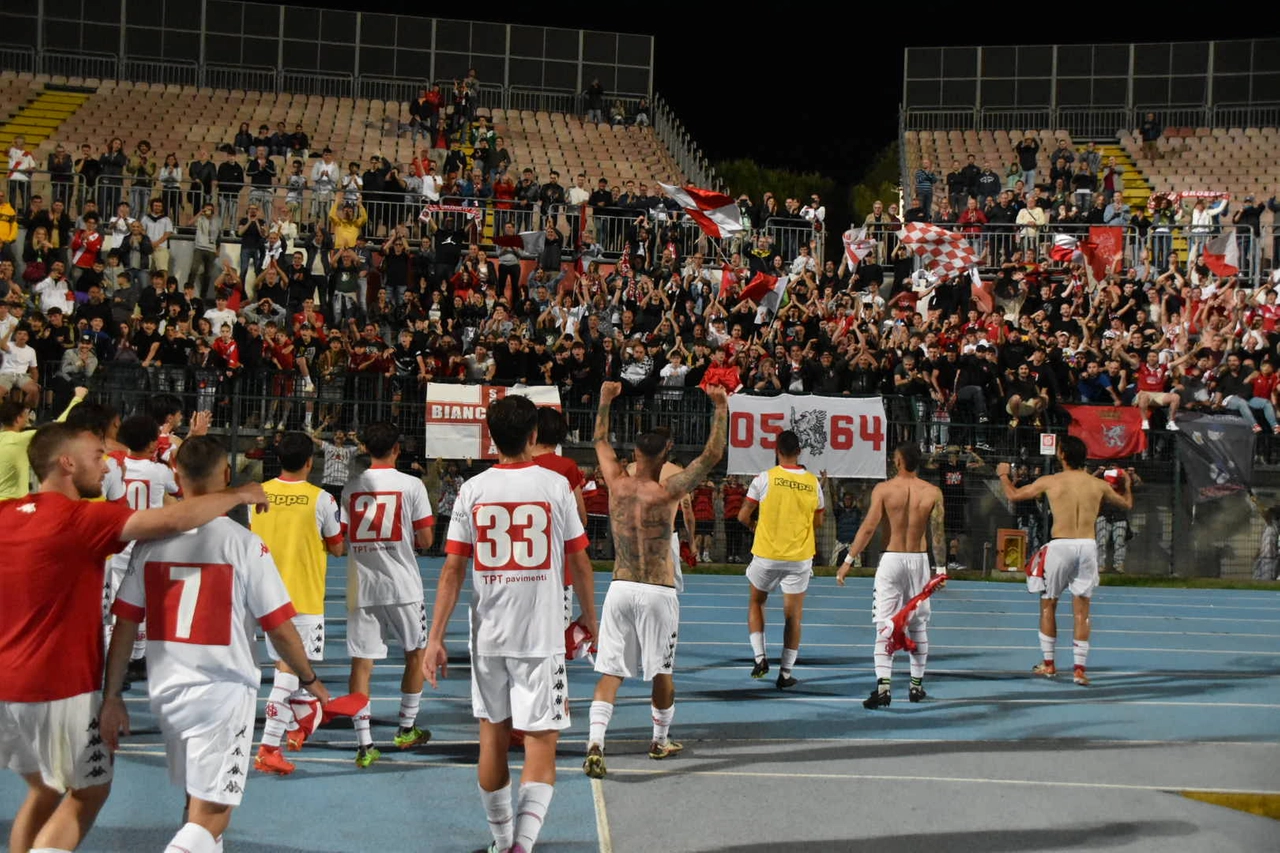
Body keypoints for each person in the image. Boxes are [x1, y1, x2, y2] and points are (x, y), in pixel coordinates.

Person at [0, 422, 268, 853]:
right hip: (60, 688)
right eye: (96, 457)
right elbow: (173, 518)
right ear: (65, 463)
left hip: (6, 691)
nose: (106, 468)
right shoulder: (81, 518)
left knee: (44, 790)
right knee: (88, 795)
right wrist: (238, 495)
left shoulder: (6, 514)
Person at [99, 436, 331, 853]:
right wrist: (309, 677)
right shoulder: (242, 543)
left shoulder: (149, 544)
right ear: (226, 475)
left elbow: (126, 624)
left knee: (195, 801)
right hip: (222, 693)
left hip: (167, 691)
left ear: (177, 475)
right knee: (214, 812)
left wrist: (112, 694)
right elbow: (278, 626)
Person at [422, 395, 597, 853]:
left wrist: (435, 637)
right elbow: (580, 562)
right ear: (535, 435)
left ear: (490, 437)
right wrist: (591, 618)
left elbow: (452, 571)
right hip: (540, 635)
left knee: (492, 738)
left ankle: (501, 841)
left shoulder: (473, 490)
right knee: (541, 743)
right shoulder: (555, 485)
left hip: (488, 635)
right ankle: (521, 845)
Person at [583, 381, 728, 778]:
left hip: (620, 586)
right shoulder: (667, 491)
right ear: (664, 455)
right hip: (657, 589)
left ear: (633, 454)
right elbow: (712, 454)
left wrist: (605, 399)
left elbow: (598, 438)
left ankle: (596, 742)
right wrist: (719, 407)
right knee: (661, 670)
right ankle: (660, 740)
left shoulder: (615, 482)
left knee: (610, 671)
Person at [997, 436, 1133, 686]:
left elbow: (1014, 495)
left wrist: (1004, 475)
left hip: (1061, 544)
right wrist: (1126, 484)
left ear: (1061, 454)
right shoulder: (1097, 484)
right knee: (1082, 610)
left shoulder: (1051, 481)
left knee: (1048, 604)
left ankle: (1049, 664)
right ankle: (1079, 669)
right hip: (1087, 545)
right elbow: (1126, 503)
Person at [250, 431, 346, 775]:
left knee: (283, 670)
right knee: (290, 673)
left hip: (261, 595)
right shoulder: (321, 499)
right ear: (310, 462)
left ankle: (294, 726)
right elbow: (337, 547)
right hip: (301, 597)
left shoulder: (257, 494)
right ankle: (268, 746)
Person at [341, 421, 434, 767]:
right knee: (415, 653)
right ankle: (406, 728)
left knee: (361, 664)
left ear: (365, 448)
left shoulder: (351, 487)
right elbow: (425, 540)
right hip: (402, 585)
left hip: (362, 584)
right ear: (397, 448)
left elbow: (344, 535)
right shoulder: (412, 485)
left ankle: (364, 745)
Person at [838, 442, 946, 708]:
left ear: (898, 461)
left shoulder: (885, 490)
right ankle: (916, 686)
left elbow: (868, 527)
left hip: (891, 558)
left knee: (884, 625)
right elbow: (938, 534)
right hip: (919, 561)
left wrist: (848, 560)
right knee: (918, 625)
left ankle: (884, 688)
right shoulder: (932, 492)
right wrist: (941, 569)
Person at [736, 430, 825, 688]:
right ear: (799, 452)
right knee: (793, 617)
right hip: (799, 557)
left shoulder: (764, 478)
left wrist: (757, 527)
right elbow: (818, 521)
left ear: (777, 451)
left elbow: (743, 516)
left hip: (766, 554)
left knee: (756, 602)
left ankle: (760, 658)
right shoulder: (812, 482)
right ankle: (785, 674)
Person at [0, 386, 87, 499]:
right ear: (17, 419)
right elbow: (59, 426)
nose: (28, 419)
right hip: (11, 506)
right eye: (25, 416)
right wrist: (78, 397)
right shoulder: (20, 440)